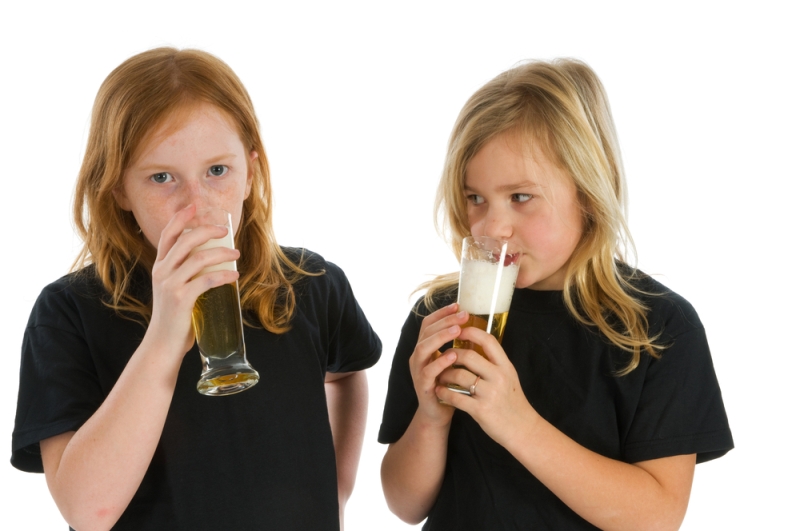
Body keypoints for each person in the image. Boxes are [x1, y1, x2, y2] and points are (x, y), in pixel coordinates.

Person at [11, 47, 381, 531]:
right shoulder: (68, 314)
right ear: (120, 190)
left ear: (250, 171)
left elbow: (346, 372)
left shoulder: (310, 283)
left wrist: (338, 489)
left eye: (217, 171)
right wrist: (164, 337)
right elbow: (86, 511)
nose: (197, 205)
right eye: (162, 178)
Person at [379, 59, 733, 530]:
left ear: (588, 191)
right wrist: (431, 416)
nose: (491, 227)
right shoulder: (442, 316)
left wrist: (514, 421)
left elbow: (656, 517)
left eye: (520, 197)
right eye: (474, 198)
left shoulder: (659, 328)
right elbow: (405, 504)